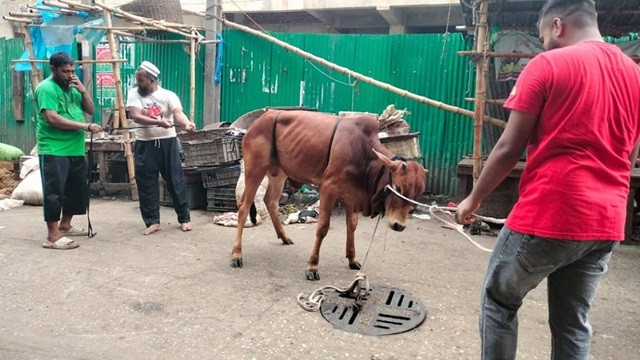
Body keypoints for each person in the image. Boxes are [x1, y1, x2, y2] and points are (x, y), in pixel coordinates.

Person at [456, 0, 640, 359]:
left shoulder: (547, 64)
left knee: (499, 300)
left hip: (552, 211)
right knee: (573, 322)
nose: (543, 45)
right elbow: (630, 156)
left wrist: (472, 200)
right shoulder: (635, 76)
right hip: (606, 223)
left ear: (557, 26)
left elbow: (509, 147)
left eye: (543, 37)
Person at [35, 51, 102, 250]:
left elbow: (90, 110)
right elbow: (52, 118)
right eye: (65, 71)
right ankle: (52, 236)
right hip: (54, 148)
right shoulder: (46, 88)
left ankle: (65, 225)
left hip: (75, 148)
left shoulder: (73, 87)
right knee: (54, 192)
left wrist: (83, 90)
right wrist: (85, 127)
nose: (70, 75)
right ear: (53, 69)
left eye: (72, 70)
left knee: (75, 190)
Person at [126, 61, 196, 235]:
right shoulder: (134, 93)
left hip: (168, 142)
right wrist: (159, 121)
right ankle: (152, 221)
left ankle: (184, 219)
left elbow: (178, 114)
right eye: (137, 78)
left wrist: (187, 123)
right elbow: (136, 116)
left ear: (152, 79)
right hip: (145, 144)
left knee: (175, 181)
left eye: (141, 79)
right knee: (146, 183)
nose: (138, 82)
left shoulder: (168, 95)